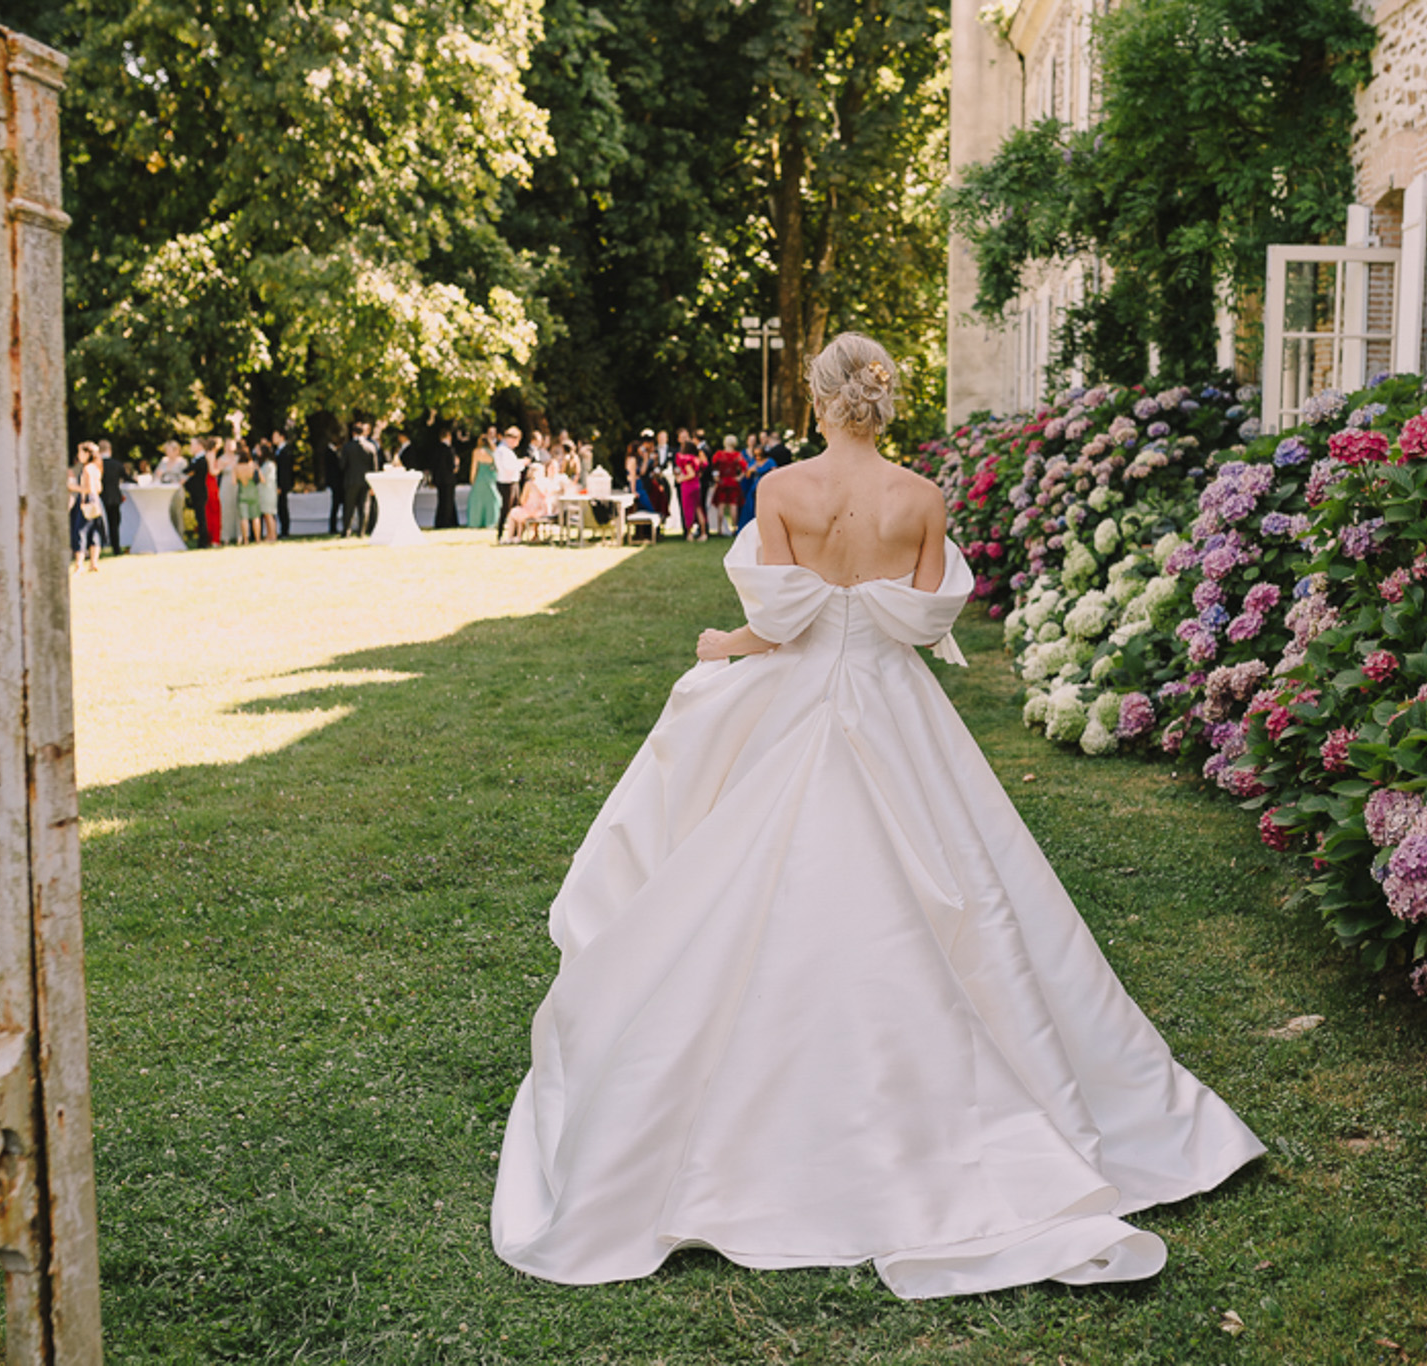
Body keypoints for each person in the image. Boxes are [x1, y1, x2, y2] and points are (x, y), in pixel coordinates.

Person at [490, 333, 1265, 1298]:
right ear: (882, 400)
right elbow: (925, 618)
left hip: (804, 697)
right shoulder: (922, 497)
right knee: (973, 897)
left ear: (818, 398)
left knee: (754, 893)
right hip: (897, 708)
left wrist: (717, 641)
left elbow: (779, 627)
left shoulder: (781, 493)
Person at [68, 442, 105, 573]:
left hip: (87, 500)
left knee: (80, 531)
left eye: (80, 452)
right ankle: (94, 563)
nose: (79, 456)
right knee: (95, 532)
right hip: (96, 501)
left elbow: (87, 488)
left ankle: (79, 565)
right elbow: (99, 488)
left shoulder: (87, 469)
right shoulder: (97, 468)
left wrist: (73, 487)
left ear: (87, 454)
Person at [340, 421, 379, 537]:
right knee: (364, 507)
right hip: (366, 482)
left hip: (351, 481)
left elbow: (342, 465)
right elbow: (374, 467)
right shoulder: (371, 447)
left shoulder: (347, 447)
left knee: (349, 507)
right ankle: (361, 531)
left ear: (353, 433)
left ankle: (347, 531)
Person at [494, 425, 527, 542]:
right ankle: (501, 534)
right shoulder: (503, 451)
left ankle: (514, 534)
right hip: (507, 482)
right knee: (506, 509)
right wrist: (522, 463)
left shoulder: (506, 450)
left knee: (515, 508)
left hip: (512, 481)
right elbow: (508, 467)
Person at [708, 435, 746, 537]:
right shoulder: (737, 455)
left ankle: (720, 529)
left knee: (721, 506)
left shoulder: (719, 455)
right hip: (733, 482)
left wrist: (716, 478)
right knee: (733, 506)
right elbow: (744, 467)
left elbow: (714, 468)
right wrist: (739, 477)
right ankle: (735, 528)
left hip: (722, 482)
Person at [467, 425, 502, 531]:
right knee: (492, 501)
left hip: (480, 478)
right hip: (491, 478)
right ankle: (491, 521)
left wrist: (472, 480)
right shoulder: (493, 452)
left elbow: (474, 468)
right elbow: (497, 467)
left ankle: (475, 522)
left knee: (477, 501)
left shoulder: (477, 452)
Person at [424, 424, 458, 529]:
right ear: (448, 436)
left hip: (439, 480)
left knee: (441, 501)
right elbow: (453, 467)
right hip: (449, 480)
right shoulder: (449, 449)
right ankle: (447, 522)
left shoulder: (436, 449)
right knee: (448, 501)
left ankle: (440, 521)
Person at [738, 435, 775, 532]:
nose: (758, 457)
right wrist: (750, 470)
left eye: (760, 454)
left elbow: (775, 473)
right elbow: (747, 476)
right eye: (756, 455)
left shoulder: (770, 461)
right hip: (754, 487)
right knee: (751, 508)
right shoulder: (753, 462)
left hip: (767, 487)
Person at [674, 438, 705, 541]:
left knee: (688, 509)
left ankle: (689, 534)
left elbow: (690, 474)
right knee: (698, 509)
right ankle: (703, 533)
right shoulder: (696, 459)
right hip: (697, 484)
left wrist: (681, 478)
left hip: (688, 486)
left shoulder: (686, 459)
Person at [97, 440, 125, 554]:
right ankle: (116, 548)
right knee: (114, 524)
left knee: (100, 525)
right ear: (109, 450)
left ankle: (99, 547)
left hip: (101, 497)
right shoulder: (117, 464)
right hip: (114, 497)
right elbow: (126, 477)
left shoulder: (97, 465)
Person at [270, 429, 296, 538]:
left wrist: (280, 486)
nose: (273, 438)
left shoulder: (286, 451)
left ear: (282, 437)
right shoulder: (278, 450)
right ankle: (282, 530)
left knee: (283, 507)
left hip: (282, 484)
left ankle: (285, 531)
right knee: (280, 507)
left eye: (275, 436)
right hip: (278, 484)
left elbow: (285, 471)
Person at [235, 441, 261, 544]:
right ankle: (258, 539)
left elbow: (233, 481)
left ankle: (245, 540)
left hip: (243, 493)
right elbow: (262, 479)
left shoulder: (237, 468)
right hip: (253, 494)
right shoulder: (254, 466)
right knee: (255, 517)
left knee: (244, 518)